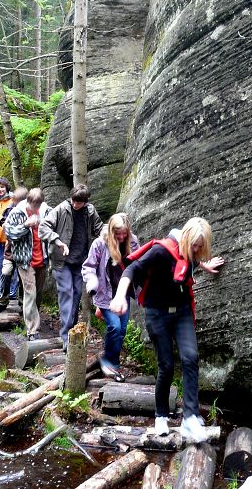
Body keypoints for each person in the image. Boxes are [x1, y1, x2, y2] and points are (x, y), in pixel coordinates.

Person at [109, 217, 224, 443]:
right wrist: (120, 296)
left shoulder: (192, 252)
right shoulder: (161, 251)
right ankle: (161, 415)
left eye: (201, 247)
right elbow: (132, 269)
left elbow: (188, 261)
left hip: (182, 312)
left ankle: (190, 418)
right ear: (186, 239)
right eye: (194, 246)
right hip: (157, 313)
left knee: (190, 358)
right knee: (167, 366)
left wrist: (204, 264)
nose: (197, 250)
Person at [39, 184, 103, 349]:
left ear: (85, 201)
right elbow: (43, 227)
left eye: (79, 202)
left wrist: (112, 232)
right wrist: (58, 241)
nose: (75, 204)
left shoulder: (90, 211)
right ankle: (66, 336)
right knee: (67, 293)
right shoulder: (61, 209)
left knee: (76, 296)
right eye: (74, 200)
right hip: (62, 261)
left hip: (80, 261)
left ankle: (71, 332)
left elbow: (99, 228)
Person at [82, 213, 139, 382]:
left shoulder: (132, 242)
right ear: (111, 231)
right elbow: (88, 266)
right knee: (114, 327)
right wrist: (92, 282)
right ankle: (109, 362)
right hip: (105, 294)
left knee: (122, 330)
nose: (121, 237)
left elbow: (141, 262)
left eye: (124, 233)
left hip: (123, 293)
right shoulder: (100, 244)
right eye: (117, 234)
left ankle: (112, 361)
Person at [2, 187, 50, 341]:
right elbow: (9, 233)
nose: (35, 208)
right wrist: (25, 226)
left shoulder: (46, 211)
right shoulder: (17, 212)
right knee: (30, 293)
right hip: (25, 260)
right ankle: (32, 330)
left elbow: (52, 229)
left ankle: (33, 318)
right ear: (28, 201)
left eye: (37, 205)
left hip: (42, 258)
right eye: (32, 205)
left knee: (39, 293)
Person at [0, 186, 27, 313]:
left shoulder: (31, 210)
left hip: (25, 252)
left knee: (23, 278)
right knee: (6, 273)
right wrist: (7, 225)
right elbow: (2, 221)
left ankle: (23, 303)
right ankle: (2, 301)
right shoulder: (10, 208)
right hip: (10, 251)